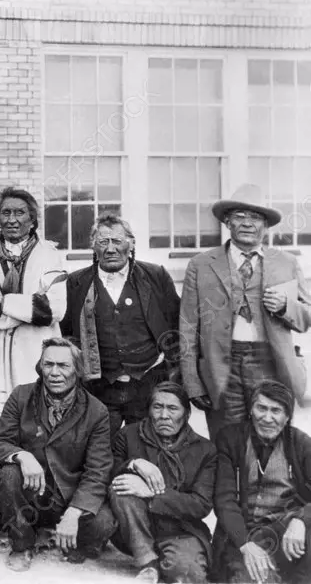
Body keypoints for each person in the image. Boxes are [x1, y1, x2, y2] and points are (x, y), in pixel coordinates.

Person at [0, 186, 67, 532]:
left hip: (32, 353)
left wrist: (3, 302)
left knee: (35, 426)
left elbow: (53, 308)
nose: (12, 219)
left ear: (33, 218)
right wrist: (25, 305)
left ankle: (39, 513)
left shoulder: (50, 255)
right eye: (6, 212)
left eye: (20, 212)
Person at [180, 184, 311, 439]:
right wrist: (193, 382)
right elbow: (187, 329)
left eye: (255, 217)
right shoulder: (201, 264)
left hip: (272, 364)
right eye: (240, 216)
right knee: (228, 441)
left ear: (266, 225)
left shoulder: (287, 263)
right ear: (227, 222)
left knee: (271, 438)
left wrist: (286, 307)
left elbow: (307, 316)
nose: (248, 223)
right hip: (221, 367)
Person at [0, 337, 116, 572]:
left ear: (77, 370)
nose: (54, 372)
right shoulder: (21, 396)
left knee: (104, 524)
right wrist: (21, 456)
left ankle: (67, 535)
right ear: (40, 367)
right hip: (33, 495)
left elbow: (98, 470)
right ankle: (22, 543)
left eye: (63, 366)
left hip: (69, 496)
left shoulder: (97, 411)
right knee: (7, 474)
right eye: (48, 364)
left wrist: (75, 511)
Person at [61, 214, 180, 436]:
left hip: (148, 382)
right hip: (99, 387)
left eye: (117, 241)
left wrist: (172, 374)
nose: (110, 249)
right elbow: (67, 333)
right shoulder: (76, 283)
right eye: (103, 241)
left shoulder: (156, 276)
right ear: (92, 245)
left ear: (131, 243)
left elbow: (176, 327)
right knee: (100, 449)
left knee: (148, 446)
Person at [109, 382, 216, 583]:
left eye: (173, 408)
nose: (164, 415)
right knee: (122, 484)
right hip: (134, 529)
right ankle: (147, 563)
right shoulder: (128, 435)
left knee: (187, 573)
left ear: (186, 414)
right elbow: (108, 471)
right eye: (157, 407)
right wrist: (133, 463)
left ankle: (166, 560)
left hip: (180, 530)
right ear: (148, 410)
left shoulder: (205, 450)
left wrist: (152, 493)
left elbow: (201, 505)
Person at [211, 381, 311, 584]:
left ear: (287, 416)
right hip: (243, 536)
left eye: (276, 411)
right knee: (250, 579)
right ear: (250, 410)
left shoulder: (300, 443)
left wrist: (301, 519)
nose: (267, 418)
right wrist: (245, 544)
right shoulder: (230, 439)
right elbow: (224, 500)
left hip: (286, 532)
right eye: (261, 408)